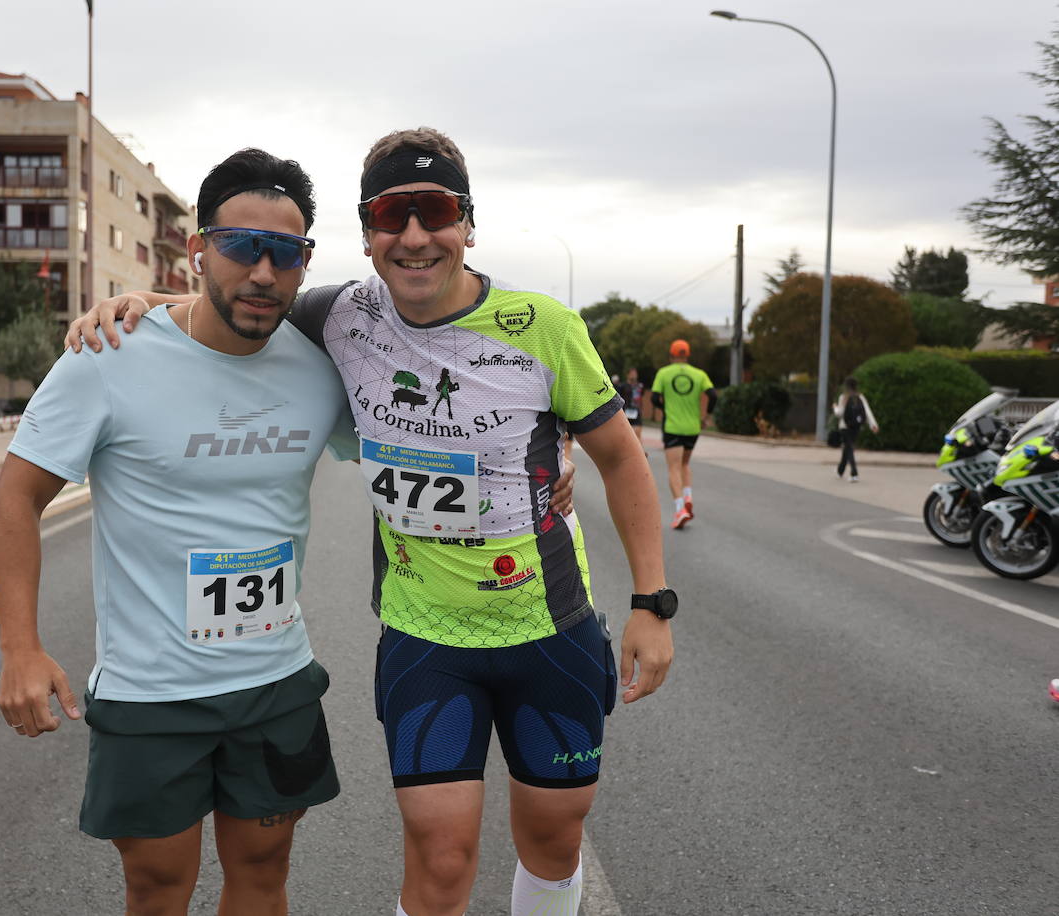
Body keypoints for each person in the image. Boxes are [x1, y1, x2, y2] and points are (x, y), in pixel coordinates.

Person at [66, 128, 674, 916]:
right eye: (393, 215)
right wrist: (141, 304)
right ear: (367, 232)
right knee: (442, 852)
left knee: (555, 835)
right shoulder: (341, 317)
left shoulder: (544, 328)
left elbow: (623, 460)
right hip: (425, 636)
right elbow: (241, 301)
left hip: (547, 625)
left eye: (435, 212)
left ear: (467, 224)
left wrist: (651, 604)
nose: (415, 236)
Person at [0, 149, 360, 916]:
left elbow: (421, 427)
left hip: (275, 679)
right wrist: (20, 650)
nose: (262, 271)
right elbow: (16, 499)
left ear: (303, 265)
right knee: (157, 887)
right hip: (151, 693)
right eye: (239, 246)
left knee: (262, 874)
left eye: (284, 253)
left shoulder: (322, 368)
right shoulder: (108, 357)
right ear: (198, 252)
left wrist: (544, 454)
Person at [650, 340, 715, 530]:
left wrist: (666, 407)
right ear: (687, 355)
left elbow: (654, 398)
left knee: (673, 468)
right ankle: (688, 497)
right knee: (685, 464)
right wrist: (706, 416)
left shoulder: (664, 373)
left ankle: (680, 509)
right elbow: (714, 395)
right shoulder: (699, 374)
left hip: (672, 427)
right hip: (693, 428)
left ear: (671, 356)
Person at [832, 375, 879, 482]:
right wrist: (873, 425)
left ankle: (854, 473)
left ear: (846, 386)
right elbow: (867, 412)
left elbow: (839, 413)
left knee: (849, 449)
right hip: (856, 427)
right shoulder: (860, 397)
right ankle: (840, 470)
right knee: (847, 448)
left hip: (845, 427)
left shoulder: (844, 397)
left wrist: (835, 408)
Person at [616, 367, 645, 445]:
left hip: (636, 412)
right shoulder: (622, 386)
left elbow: (640, 398)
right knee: (625, 434)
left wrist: (641, 409)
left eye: (635, 374)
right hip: (626, 411)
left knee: (637, 433)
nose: (634, 375)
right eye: (632, 374)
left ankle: (640, 452)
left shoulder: (640, 386)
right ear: (627, 375)